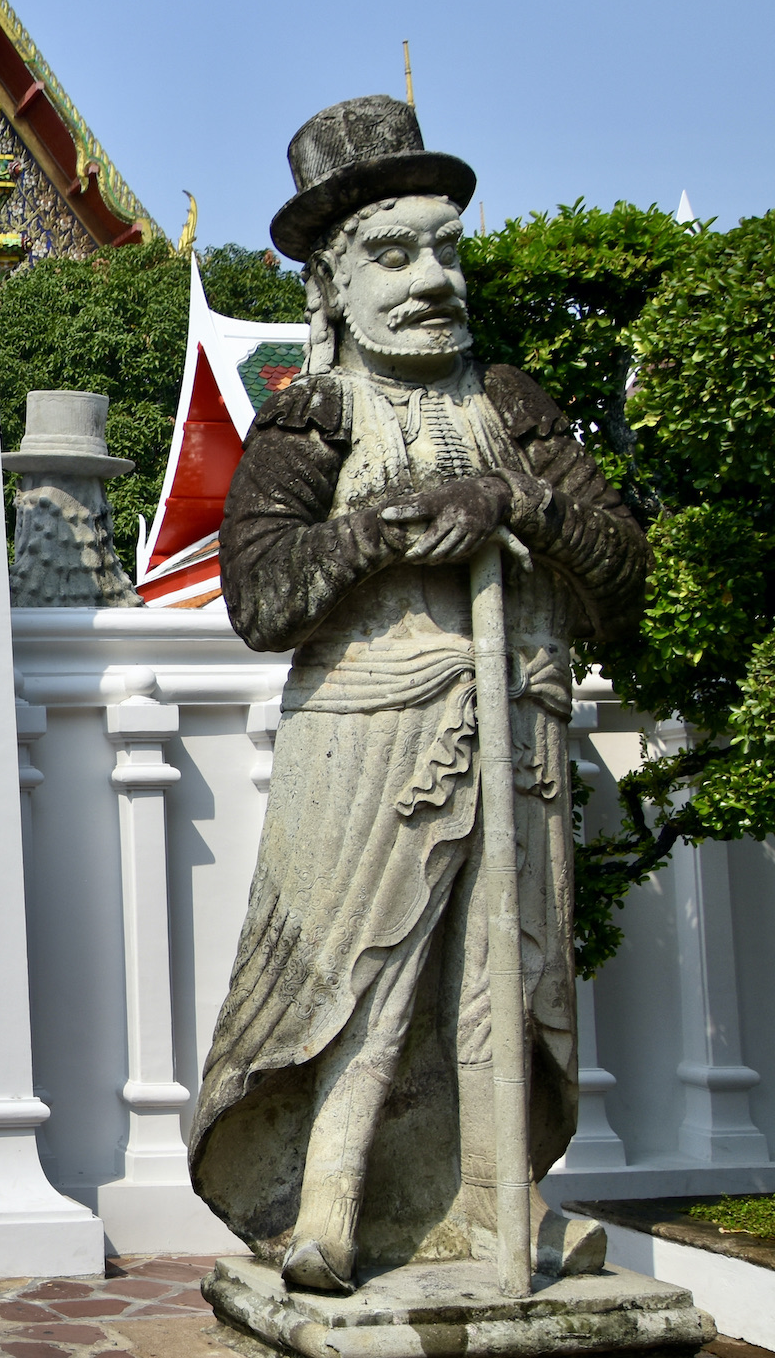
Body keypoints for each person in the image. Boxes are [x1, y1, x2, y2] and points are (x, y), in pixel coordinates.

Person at [192, 96, 645, 1290]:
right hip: (373, 738)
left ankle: (503, 1205)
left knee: (512, 973)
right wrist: (391, 529)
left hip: (518, 722)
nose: (430, 276)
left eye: (445, 246)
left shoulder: (513, 405)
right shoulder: (317, 416)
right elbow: (261, 598)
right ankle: (327, 1205)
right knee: (361, 983)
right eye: (392, 255)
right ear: (334, 286)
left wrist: (521, 507)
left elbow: (622, 566)